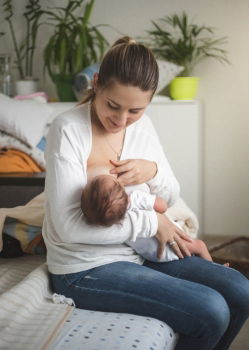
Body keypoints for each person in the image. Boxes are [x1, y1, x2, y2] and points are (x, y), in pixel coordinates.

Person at [42, 36, 249, 350]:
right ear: (97, 83)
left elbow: (173, 194)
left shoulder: (143, 127)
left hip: (139, 251)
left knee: (240, 291)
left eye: (135, 110)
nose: (121, 120)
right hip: (85, 267)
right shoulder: (67, 129)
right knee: (212, 309)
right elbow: (67, 229)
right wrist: (153, 223)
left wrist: (151, 170)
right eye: (113, 105)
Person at [81, 172, 214, 262]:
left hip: (153, 255)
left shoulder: (116, 223)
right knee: (200, 246)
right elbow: (163, 206)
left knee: (190, 255)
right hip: (171, 242)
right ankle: (213, 268)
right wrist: (150, 198)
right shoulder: (134, 198)